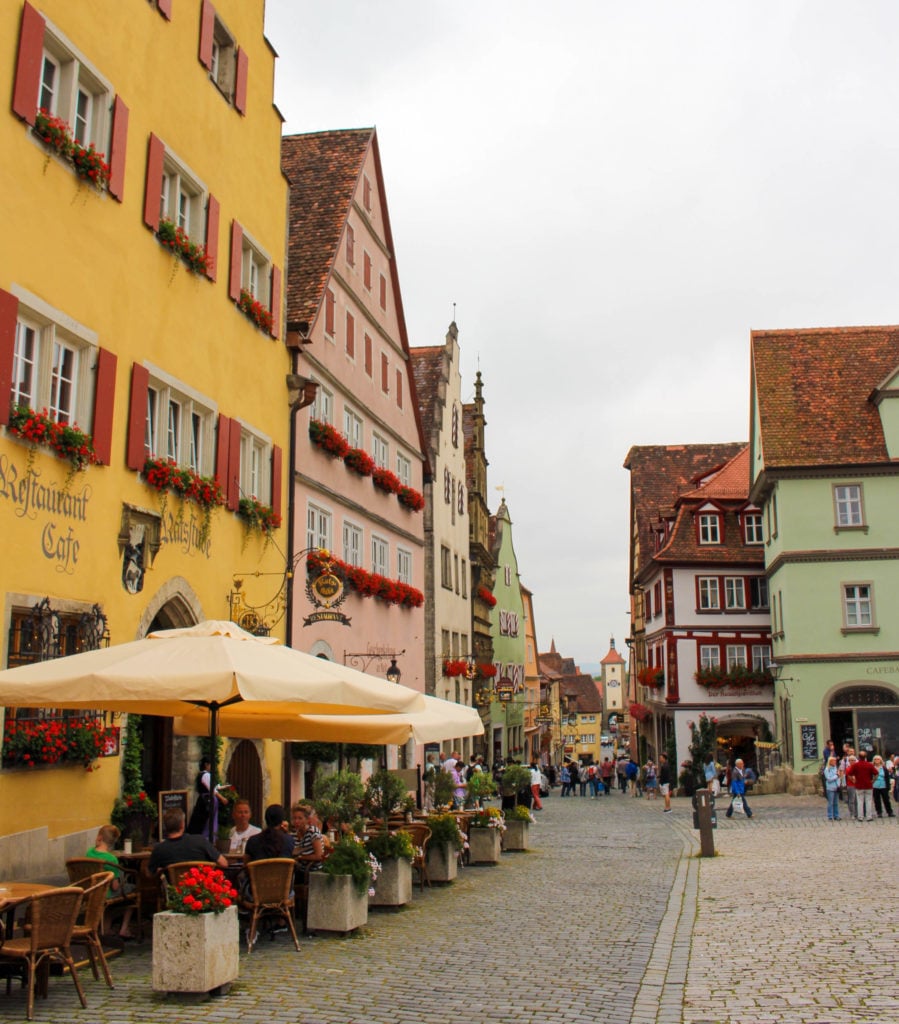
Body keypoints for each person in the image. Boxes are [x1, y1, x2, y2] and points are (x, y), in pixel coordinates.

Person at [86, 824, 135, 939]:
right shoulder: (111, 859)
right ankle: (124, 928)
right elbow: (115, 886)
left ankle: (106, 928)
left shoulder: (89, 853)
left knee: (107, 899)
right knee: (133, 890)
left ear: (99, 837)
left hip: (91, 890)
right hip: (106, 893)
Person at [148, 806, 228, 874]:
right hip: (201, 890)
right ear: (182, 824)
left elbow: (149, 874)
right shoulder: (200, 841)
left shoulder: (159, 849)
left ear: (165, 826)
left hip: (173, 891)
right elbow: (224, 863)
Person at [186, 757, 227, 836]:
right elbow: (212, 789)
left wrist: (223, 787)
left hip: (205, 799)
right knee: (206, 821)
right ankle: (206, 836)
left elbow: (214, 787)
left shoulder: (203, 775)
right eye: (211, 764)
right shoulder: (206, 775)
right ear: (206, 765)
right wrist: (222, 798)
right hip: (207, 801)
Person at [846, 750, 877, 822]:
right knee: (868, 801)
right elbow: (876, 773)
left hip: (859, 785)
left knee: (860, 801)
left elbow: (849, 774)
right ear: (865, 757)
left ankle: (860, 817)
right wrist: (873, 781)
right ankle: (869, 816)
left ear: (858, 757)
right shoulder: (869, 765)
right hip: (868, 785)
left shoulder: (855, 765)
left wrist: (853, 781)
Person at [823, 756, 841, 821]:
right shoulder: (827, 769)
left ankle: (836, 815)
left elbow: (839, 777)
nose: (835, 762)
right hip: (830, 788)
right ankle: (830, 815)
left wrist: (839, 784)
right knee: (830, 802)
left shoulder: (836, 768)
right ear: (830, 762)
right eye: (833, 761)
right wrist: (836, 776)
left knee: (836, 802)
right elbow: (829, 779)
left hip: (836, 787)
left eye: (835, 761)